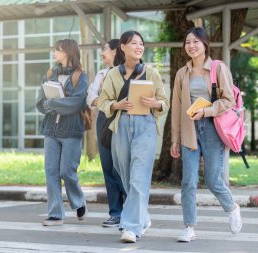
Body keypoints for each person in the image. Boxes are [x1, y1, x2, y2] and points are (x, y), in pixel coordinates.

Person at [170, 27, 242, 242]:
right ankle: (189, 226)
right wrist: (175, 139)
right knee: (188, 181)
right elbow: (176, 107)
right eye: (188, 42)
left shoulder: (218, 68)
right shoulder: (182, 73)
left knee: (212, 179)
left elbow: (228, 100)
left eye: (195, 42)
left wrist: (207, 111)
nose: (191, 46)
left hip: (212, 128)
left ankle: (232, 207)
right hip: (189, 129)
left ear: (205, 44)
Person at [98, 30, 169, 243]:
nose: (138, 47)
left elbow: (164, 102)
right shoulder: (113, 74)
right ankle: (143, 217)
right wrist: (116, 105)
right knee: (127, 177)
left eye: (141, 44)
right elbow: (102, 102)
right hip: (121, 126)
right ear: (123, 47)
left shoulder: (151, 73)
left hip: (145, 126)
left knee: (139, 177)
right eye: (133, 43)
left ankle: (130, 227)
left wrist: (155, 104)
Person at [36, 39, 88, 226]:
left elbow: (77, 102)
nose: (54, 53)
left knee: (67, 171)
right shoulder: (50, 73)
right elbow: (41, 100)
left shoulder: (80, 76)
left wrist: (54, 104)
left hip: (72, 131)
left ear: (66, 52)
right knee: (51, 171)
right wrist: (49, 105)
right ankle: (56, 214)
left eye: (57, 50)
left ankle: (78, 201)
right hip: (51, 130)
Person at [86, 39, 127, 228]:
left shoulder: (127, 71)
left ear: (115, 51)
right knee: (108, 167)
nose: (102, 53)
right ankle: (115, 212)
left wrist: (104, 100)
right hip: (104, 119)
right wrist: (105, 101)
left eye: (105, 49)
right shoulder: (101, 74)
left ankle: (131, 210)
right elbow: (90, 98)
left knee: (122, 167)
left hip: (124, 120)